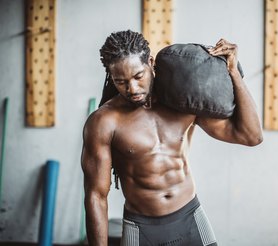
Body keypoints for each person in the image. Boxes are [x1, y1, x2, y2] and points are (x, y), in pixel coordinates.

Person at [81, 30, 263, 246]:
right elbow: (96, 196)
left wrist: (233, 72)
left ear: (150, 62)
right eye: (121, 82)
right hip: (141, 228)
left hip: (190, 218)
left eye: (138, 76)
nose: (132, 89)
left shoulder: (182, 101)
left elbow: (251, 136)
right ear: (111, 77)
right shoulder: (104, 122)